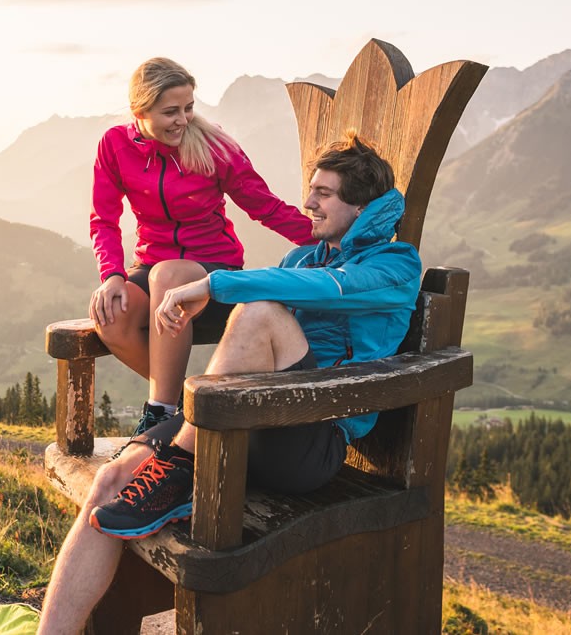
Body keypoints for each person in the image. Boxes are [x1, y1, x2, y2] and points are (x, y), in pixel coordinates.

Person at [38, 133, 421, 633]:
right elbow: (287, 282)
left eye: (323, 193)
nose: (307, 203)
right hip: (241, 422)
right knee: (111, 481)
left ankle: (178, 462)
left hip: (309, 438)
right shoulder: (306, 256)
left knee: (259, 310)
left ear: (361, 205)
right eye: (311, 190)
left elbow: (325, 290)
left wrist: (209, 285)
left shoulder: (396, 264)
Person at [89, 57, 313, 435]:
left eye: (189, 108)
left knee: (170, 274)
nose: (183, 120)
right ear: (139, 111)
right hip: (152, 266)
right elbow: (104, 219)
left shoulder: (214, 144)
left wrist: (333, 239)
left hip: (214, 271)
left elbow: (265, 206)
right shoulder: (114, 146)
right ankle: (182, 406)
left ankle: (158, 414)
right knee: (111, 314)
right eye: (170, 111)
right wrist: (111, 276)